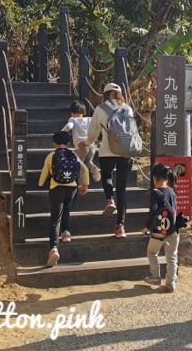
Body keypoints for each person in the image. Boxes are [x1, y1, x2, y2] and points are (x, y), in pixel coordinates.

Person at [78, 82, 133, 238]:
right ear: (120, 94)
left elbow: (93, 133)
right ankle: (120, 227)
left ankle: (109, 199)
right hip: (126, 152)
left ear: (104, 95)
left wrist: (86, 143)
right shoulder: (127, 108)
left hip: (107, 151)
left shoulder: (100, 109)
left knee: (107, 175)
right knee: (122, 189)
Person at [38, 131, 89, 266]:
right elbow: (85, 170)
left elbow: (45, 171)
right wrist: (85, 184)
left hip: (56, 188)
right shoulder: (74, 155)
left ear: (54, 143)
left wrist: (40, 183)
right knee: (66, 210)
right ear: (68, 143)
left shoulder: (51, 155)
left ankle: (54, 248)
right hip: (72, 188)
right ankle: (66, 233)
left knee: (55, 218)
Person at [142, 163, 179, 293]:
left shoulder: (155, 193)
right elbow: (174, 210)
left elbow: (153, 212)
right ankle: (170, 283)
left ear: (154, 178)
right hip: (174, 229)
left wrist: (147, 227)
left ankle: (155, 277)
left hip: (159, 231)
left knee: (152, 252)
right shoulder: (172, 192)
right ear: (167, 178)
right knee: (172, 256)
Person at [62, 100, 101, 183]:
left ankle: (81, 183)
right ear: (84, 112)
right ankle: (93, 167)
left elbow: (69, 126)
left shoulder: (73, 119)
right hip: (91, 146)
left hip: (80, 147)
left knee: (79, 164)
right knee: (88, 161)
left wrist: (62, 133)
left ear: (72, 112)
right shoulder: (90, 119)